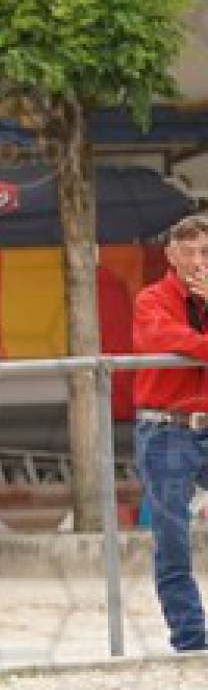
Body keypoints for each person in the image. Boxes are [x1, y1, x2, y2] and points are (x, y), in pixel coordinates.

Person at [132, 212, 208, 654]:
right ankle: (192, 640)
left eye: (206, 252)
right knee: (173, 542)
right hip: (167, 430)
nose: (198, 261)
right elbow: (167, 339)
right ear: (171, 255)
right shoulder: (151, 300)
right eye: (190, 252)